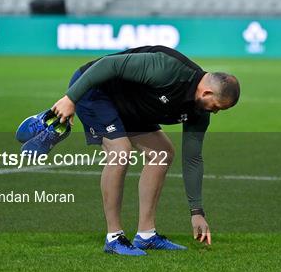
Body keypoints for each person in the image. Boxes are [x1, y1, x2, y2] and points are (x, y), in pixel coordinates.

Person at [50, 45, 239, 255]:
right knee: (120, 152)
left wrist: (197, 211)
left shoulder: (200, 112)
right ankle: (114, 238)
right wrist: (70, 98)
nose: (216, 112)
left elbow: (193, 158)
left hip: (130, 104)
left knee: (163, 153)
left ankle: (146, 235)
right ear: (207, 92)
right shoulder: (168, 69)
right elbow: (108, 64)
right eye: (217, 106)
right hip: (95, 90)